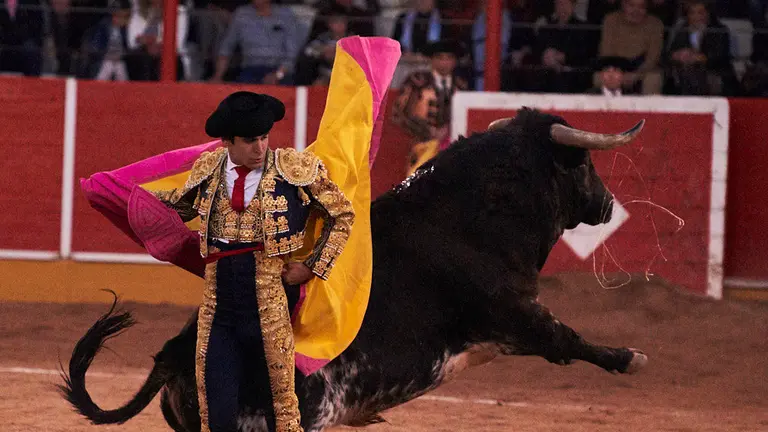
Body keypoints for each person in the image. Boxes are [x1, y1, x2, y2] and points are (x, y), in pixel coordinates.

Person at [151, 91, 355, 432]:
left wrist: (312, 266)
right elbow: (177, 208)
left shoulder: (294, 169)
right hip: (220, 310)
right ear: (228, 141)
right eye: (249, 141)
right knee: (215, 413)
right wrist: (134, 199)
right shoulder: (209, 170)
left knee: (283, 410)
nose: (260, 148)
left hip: (270, 305)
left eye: (264, 138)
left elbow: (342, 214)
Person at [392, 39, 468, 175]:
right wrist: (427, 130)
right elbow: (398, 114)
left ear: (455, 61)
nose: (444, 63)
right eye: (440, 58)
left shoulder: (461, 86)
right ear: (431, 60)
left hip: (451, 148)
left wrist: (448, 130)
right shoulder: (416, 82)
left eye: (449, 58)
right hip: (421, 144)